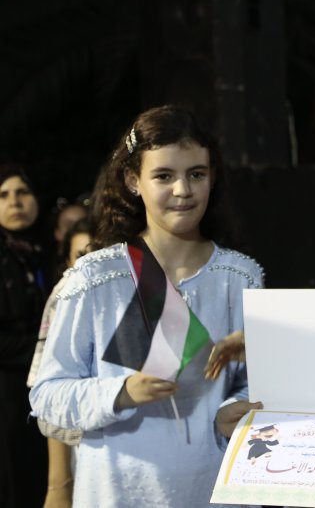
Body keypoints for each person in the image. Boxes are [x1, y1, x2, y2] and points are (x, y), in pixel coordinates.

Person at [29, 105, 263, 508]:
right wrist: (121, 392)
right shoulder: (93, 279)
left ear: (212, 176)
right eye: (164, 176)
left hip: (216, 489)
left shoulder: (241, 277)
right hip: (117, 492)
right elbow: (47, 395)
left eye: (196, 174)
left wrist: (232, 408)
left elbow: (256, 383)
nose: (183, 190)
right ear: (133, 180)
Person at [26, 217, 92, 508]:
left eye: (99, 250)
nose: (91, 261)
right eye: (81, 255)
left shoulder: (144, 285)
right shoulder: (67, 292)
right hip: (87, 455)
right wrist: (58, 484)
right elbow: (50, 398)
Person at [0, 163, 49, 507]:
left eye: (22, 192)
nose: (14, 202)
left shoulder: (46, 252)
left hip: (44, 394)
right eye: (3, 195)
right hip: (7, 398)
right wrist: (48, 348)